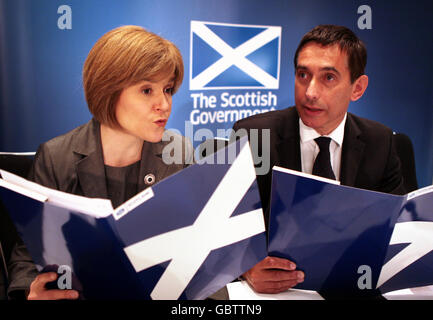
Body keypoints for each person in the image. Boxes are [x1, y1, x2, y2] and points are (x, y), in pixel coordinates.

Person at [232, 24, 405, 294]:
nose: (310, 92)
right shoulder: (253, 137)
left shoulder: (380, 142)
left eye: (328, 78)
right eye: (303, 75)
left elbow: (395, 231)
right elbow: (224, 232)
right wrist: (245, 269)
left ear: (357, 88)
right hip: (278, 293)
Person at [26, 25, 193, 299]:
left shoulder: (180, 151)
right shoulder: (55, 157)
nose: (164, 104)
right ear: (108, 89)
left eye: (168, 89)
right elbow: (28, 253)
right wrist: (34, 290)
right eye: (147, 90)